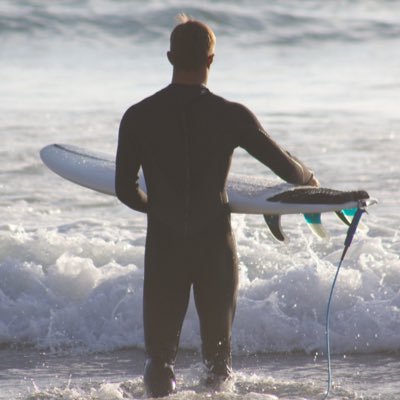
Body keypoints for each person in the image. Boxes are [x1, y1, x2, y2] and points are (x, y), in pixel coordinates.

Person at [115, 14, 319, 398]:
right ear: (211, 60)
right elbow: (287, 169)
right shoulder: (231, 115)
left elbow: (125, 190)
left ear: (170, 57)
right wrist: (309, 178)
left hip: (164, 242)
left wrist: (159, 209)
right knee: (218, 358)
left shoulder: (138, 116)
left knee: (159, 360)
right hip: (214, 242)